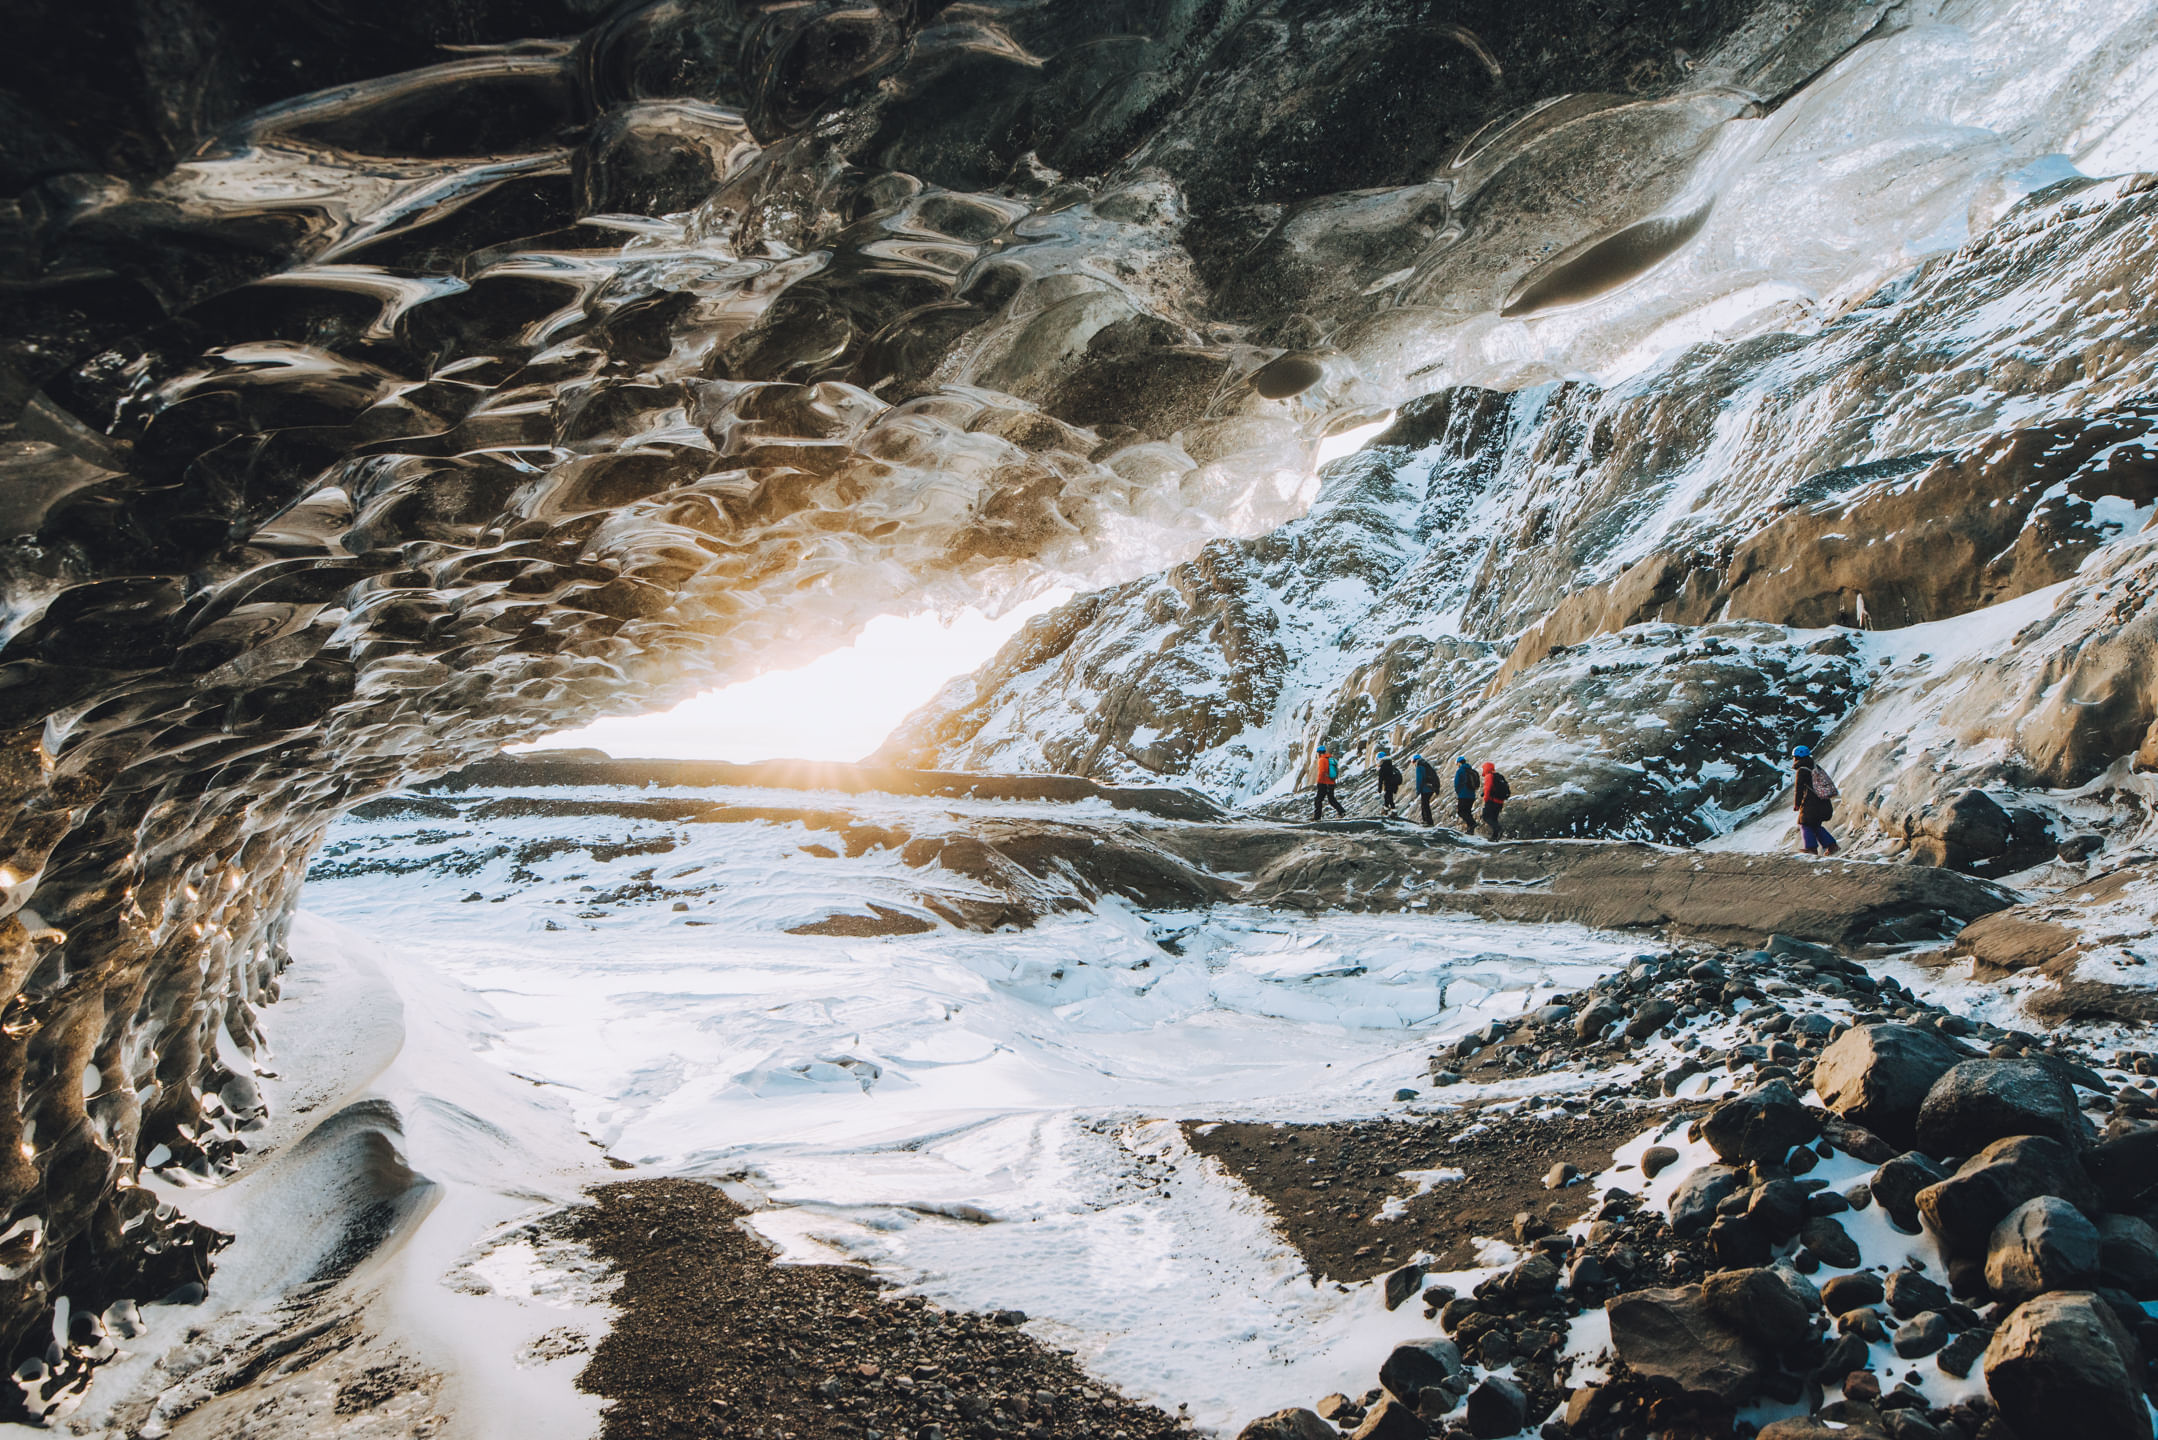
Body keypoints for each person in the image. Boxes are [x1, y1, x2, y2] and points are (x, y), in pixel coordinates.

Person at [1793, 744, 1840, 855]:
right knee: (1815, 825)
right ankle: (1832, 845)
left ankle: (1811, 848)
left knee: (1804, 823)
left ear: (1797, 757)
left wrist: (1797, 804)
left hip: (1811, 803)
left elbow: (1799, 788)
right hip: (1823, 801)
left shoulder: (1802, 770)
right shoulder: (1815, 766)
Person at [1311, 745, 1345, 820]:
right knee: (1331, 799)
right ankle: (1341, 811)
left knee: (1318, 800)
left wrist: (1319, 782)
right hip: (1331, 783)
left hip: (1323, 783)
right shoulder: (1330, 758)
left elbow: (1322, 771)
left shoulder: (1322, 760)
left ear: (1319, 753)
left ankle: (1317, 817)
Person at [1479, 761, 1511, 838]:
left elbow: (1488, 788)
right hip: (1499, 801)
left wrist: (1486, 799)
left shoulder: (1489, 776)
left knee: (1486, 816)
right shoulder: (1499, 776)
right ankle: (1495, 836)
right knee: (1494, 818)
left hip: (1492, 801)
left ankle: (1498, 829)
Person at [1412, 753, 1440, 825]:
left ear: (1415, 761)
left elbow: (1419, 779)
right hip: (1431, 787)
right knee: (1425, 804)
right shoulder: (1426, 765)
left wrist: (1418, 790)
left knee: (1425, 805)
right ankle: (1427, 821)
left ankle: (1427, 821)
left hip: (1426, 789)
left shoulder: (1419, 766)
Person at [1452, 755, 1478, 831]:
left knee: (1461, 812)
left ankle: (1472, 823)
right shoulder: (1472, 771)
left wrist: (1459, 792)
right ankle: (1471, 830)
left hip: (1463, 795)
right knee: (1468, 812)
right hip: (1472, 795)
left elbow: (1457, 784)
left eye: (1457, 764)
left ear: (1459, 763)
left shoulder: (1460, 771)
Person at [1375, 748, 1403, 817]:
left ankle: (1393, 810)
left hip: (1389, 784)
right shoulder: (1389, 764)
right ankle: (1386, 809)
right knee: (1387, 796)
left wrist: (1379, 790)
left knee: (1389, 797)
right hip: (1393, 784)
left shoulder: (1383, 767)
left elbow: (1380, 780)